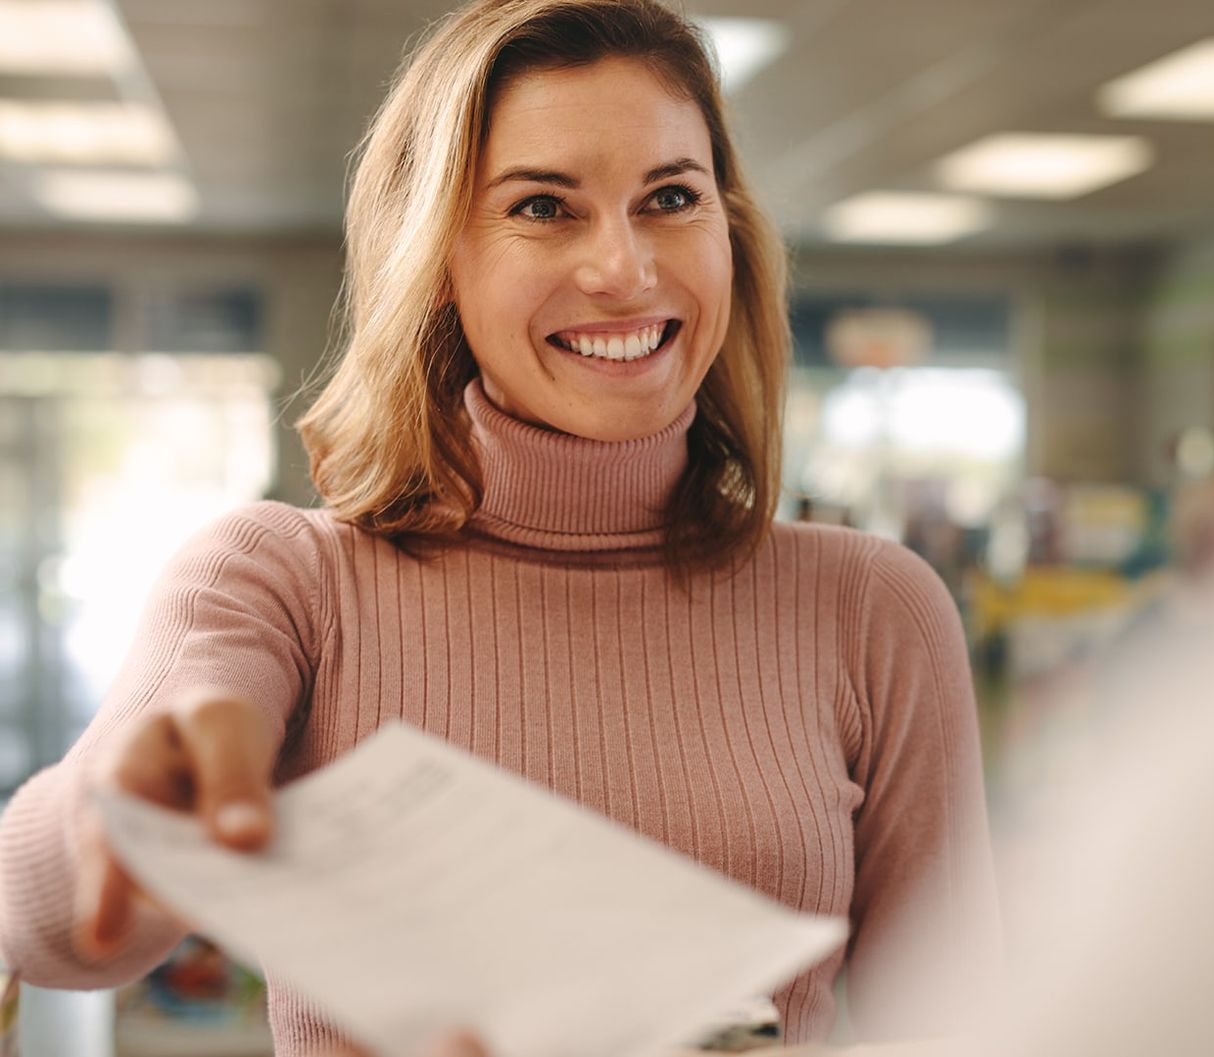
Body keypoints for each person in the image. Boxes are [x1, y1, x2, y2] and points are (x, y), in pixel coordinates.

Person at [0, 1, 998, 1053]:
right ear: (440, 261)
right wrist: (130, 815)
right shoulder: (287, 581)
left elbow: (966, 1024)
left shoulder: (871, 608)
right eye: (543, 208)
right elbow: (45, 924)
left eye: (670, 197)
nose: (624, 267)